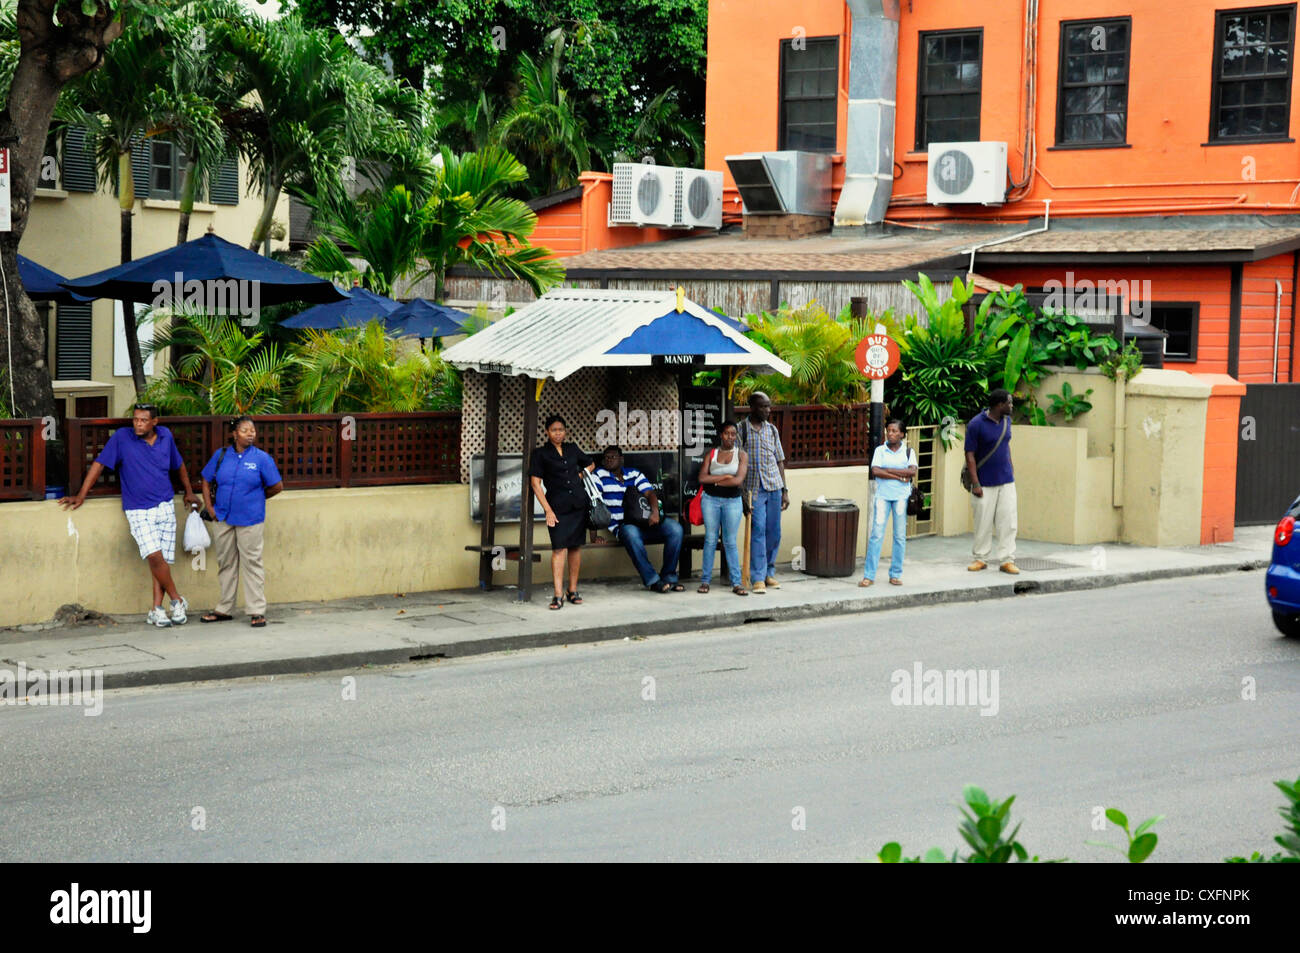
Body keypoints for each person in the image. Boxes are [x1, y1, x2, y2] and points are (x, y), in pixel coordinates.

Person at [59, 403, 200, 627]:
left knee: (160, 562)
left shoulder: (165, 436)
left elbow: (179, 465)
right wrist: (81, 495)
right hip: (137, 508)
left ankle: (156, 609)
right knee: (154, 556)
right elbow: (98, 465)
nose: (138, 424)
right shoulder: (122, 438)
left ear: (155, 422)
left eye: (143, 420)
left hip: (165, 505)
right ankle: (176, 598)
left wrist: (189, 492)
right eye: (135, 419)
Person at [199, 416, 284, 627]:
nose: (250, 433)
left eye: (252, 430)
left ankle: (256, 610)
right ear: (234, 434)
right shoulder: (221, 455)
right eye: (245, 430)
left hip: (250, 519)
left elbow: (277, 486)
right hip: (223, 517)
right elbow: (206, 481)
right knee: (226, 563)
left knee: (252, 563)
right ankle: (224, 608)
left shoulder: (262, 458)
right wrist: (210, 508)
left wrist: (255, 499)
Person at [588, 446, 684, 593]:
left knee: (676, 529)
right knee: (631, 533)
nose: (609, 460)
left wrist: (655, 512)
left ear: (621, 459)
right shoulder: (599, 475)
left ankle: (669, 577)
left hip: (647, 521)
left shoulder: (634, 473)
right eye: (606, 458)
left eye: (613, 457)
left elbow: (650, 493)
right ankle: (653, 580)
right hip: (624, 526)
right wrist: (593, 536)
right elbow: (593, 504)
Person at [529, 414, 596, 610]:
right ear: (547, 432)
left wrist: (581, 474)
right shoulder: (540, 454)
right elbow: (535, 483)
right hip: (557, 508)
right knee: (559, 548)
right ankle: (558, 594)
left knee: (575, 547)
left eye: (561, 430)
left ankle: (572, 590)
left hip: (578, 504)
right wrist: (547, 510)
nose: (558, 433)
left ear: (565, 431)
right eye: (554, 430)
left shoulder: (572, 448)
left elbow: (591, 463)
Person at [738, 391, 788, 593]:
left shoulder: (772, 430)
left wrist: (785, 490)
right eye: (763, 406)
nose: (768, 410)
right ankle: (757, 577)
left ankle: (769, 573)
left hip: (774, 485)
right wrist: (741, 494)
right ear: (752, 407)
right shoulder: (742, 429)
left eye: (769, 406)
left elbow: (780, 461)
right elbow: (736, 463)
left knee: (773, 532)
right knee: (757, 531)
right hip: (753, 489)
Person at [965, 388, 1019, 574]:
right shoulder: (976, 424)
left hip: (1006, 480)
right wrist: (976, 483)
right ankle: (980, 558)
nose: (1011, 406)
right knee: (983, 522)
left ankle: (1006, 560)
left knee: (1008, 522)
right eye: (1009, 403)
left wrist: (1011, 467)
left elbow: (1006, 445)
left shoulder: (1007, 421)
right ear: (999, 405)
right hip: (984, 482)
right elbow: (969, 454)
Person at [860, 420, 917, 587]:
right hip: (883, 496)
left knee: (899, 536)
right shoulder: (880, 450)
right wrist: (899, 476)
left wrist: (888, 470)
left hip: (901, 497)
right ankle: (869, 575)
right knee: (876, 535)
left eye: (894, 431)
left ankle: (895, 574)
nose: (890, 434)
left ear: (902, 434)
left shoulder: (908, 451)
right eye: (888, 431)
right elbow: (876, 470)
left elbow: (912, 471)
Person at [697, 420, 749, 596]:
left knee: (729, 541)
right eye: (727, 433)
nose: (730, 437)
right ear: (721, 435)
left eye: (733, 434)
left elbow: (737, 481)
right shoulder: (711, 454)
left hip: (732, 501)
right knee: (710, 540)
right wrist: (726, 476)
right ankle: (705, 581)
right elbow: (702, 478)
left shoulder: (741, 455)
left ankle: (736, 582)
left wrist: (717, 480)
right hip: (710, 500)